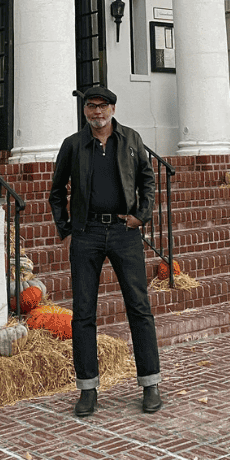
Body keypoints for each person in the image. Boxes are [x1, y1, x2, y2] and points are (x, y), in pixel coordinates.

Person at [49, 84, 162, 417]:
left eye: (102, 106)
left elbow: (147, 179)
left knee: (139, 307)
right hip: (87, 233)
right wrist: (66, 230)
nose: (96, 112)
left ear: (113, 108)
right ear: (85, 111)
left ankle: (150, 383)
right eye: (91, 107)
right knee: (83, 313)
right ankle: (87, 389)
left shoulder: (131, 140)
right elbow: (56, 192)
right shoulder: (73, 145)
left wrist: (140, 216)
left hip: (124, 232)